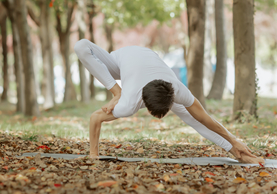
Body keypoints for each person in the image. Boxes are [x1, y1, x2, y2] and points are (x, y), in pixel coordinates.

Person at [74, 40, 264, 164]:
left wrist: (234, 142)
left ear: (173, 97)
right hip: (121, 62)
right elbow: (95, 118)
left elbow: (205, 119)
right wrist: (93, 156)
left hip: (148, 58)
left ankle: (240, 155)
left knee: (194, 119)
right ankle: (116, 90)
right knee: (81, 47)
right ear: (143, 105)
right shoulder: (128, 103)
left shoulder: (178, 89)